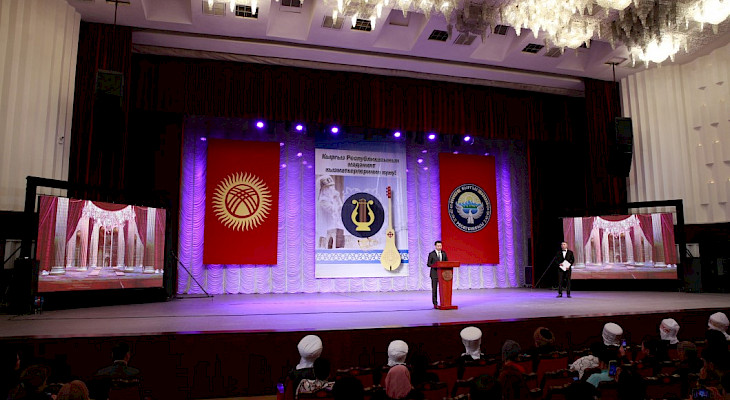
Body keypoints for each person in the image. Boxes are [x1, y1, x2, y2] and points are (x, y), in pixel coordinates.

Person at [426, 240, 447, 308]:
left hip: (443, 274)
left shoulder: (444, 253)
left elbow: (446, 262)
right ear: (435, 246)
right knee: (434, 289)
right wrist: (435, 265)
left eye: (440, 246)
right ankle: (435, 303)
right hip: (434, 274)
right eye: (438, 246)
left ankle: (444, 302)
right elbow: (428, 264)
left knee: (443, 289)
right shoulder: (431, 254)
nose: (439, 247)